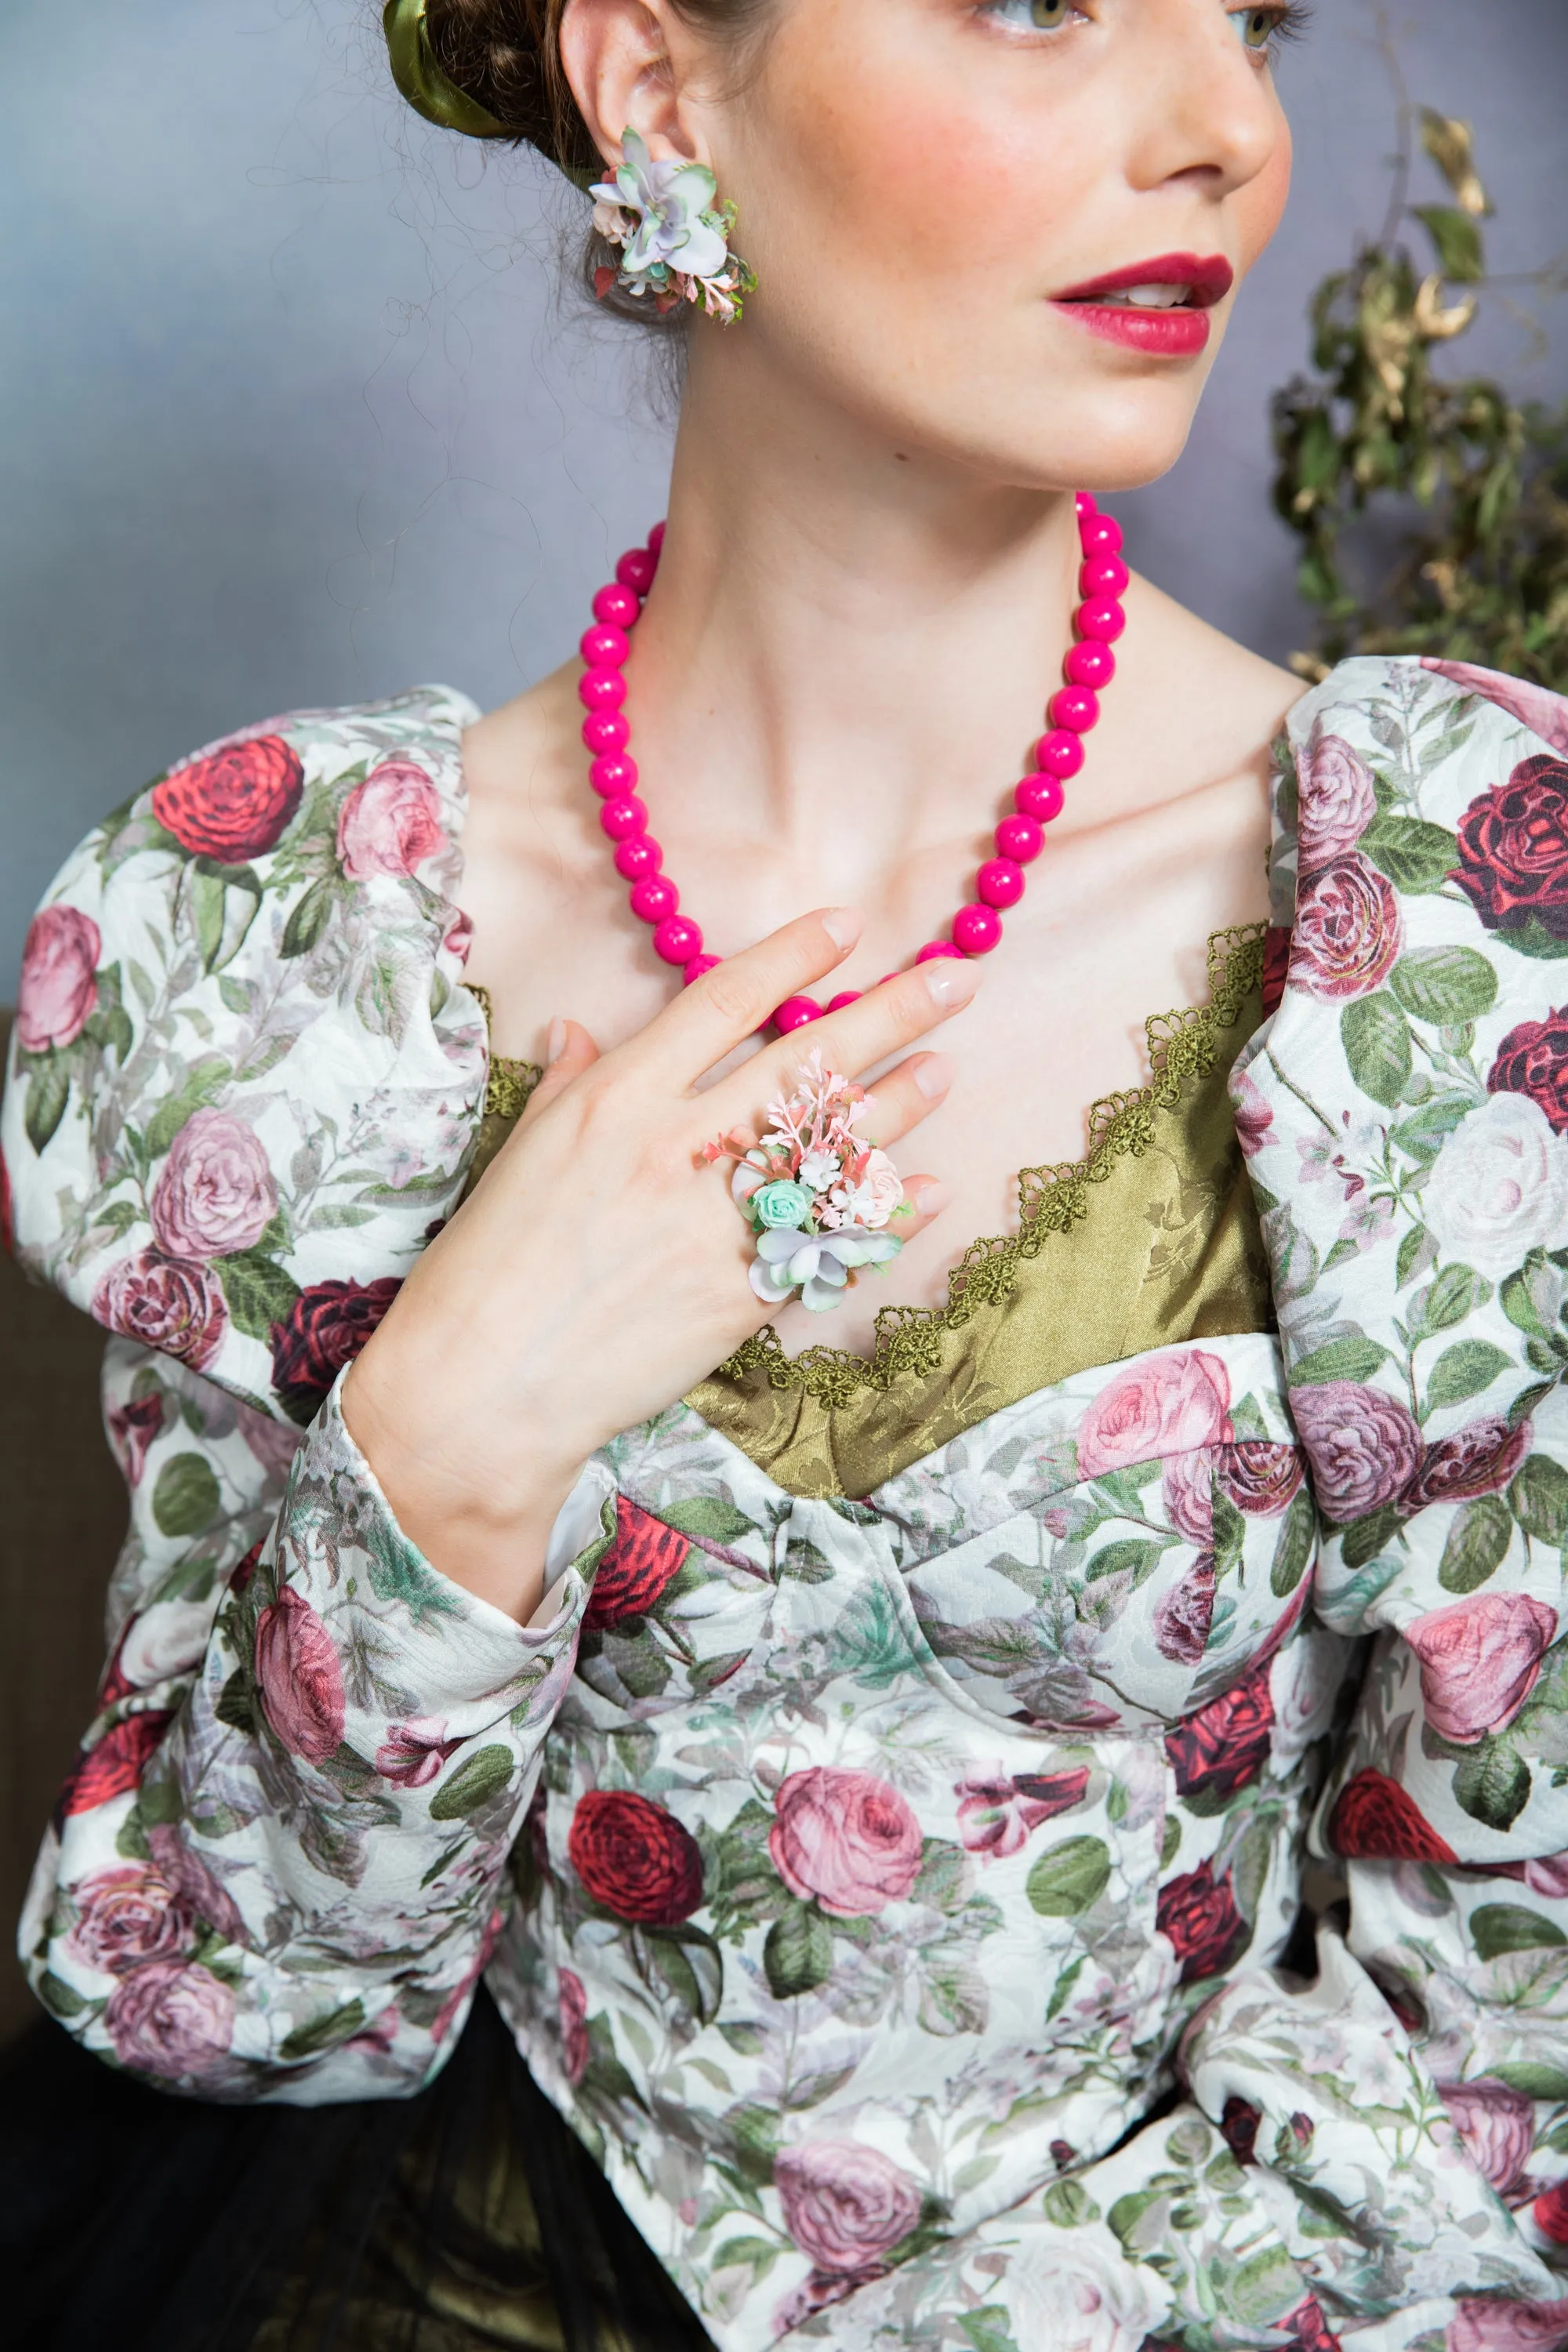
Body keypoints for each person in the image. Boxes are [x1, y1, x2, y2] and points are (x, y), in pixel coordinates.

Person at [7, 1, 1568, 2347]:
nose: (1226, 128)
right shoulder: (284, 936)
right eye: (1044, 0)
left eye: (1245, 18)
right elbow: (228, 2008)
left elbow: (1503, 2089)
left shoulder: (1455, 919)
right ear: (652, 78)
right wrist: (454, 1433)